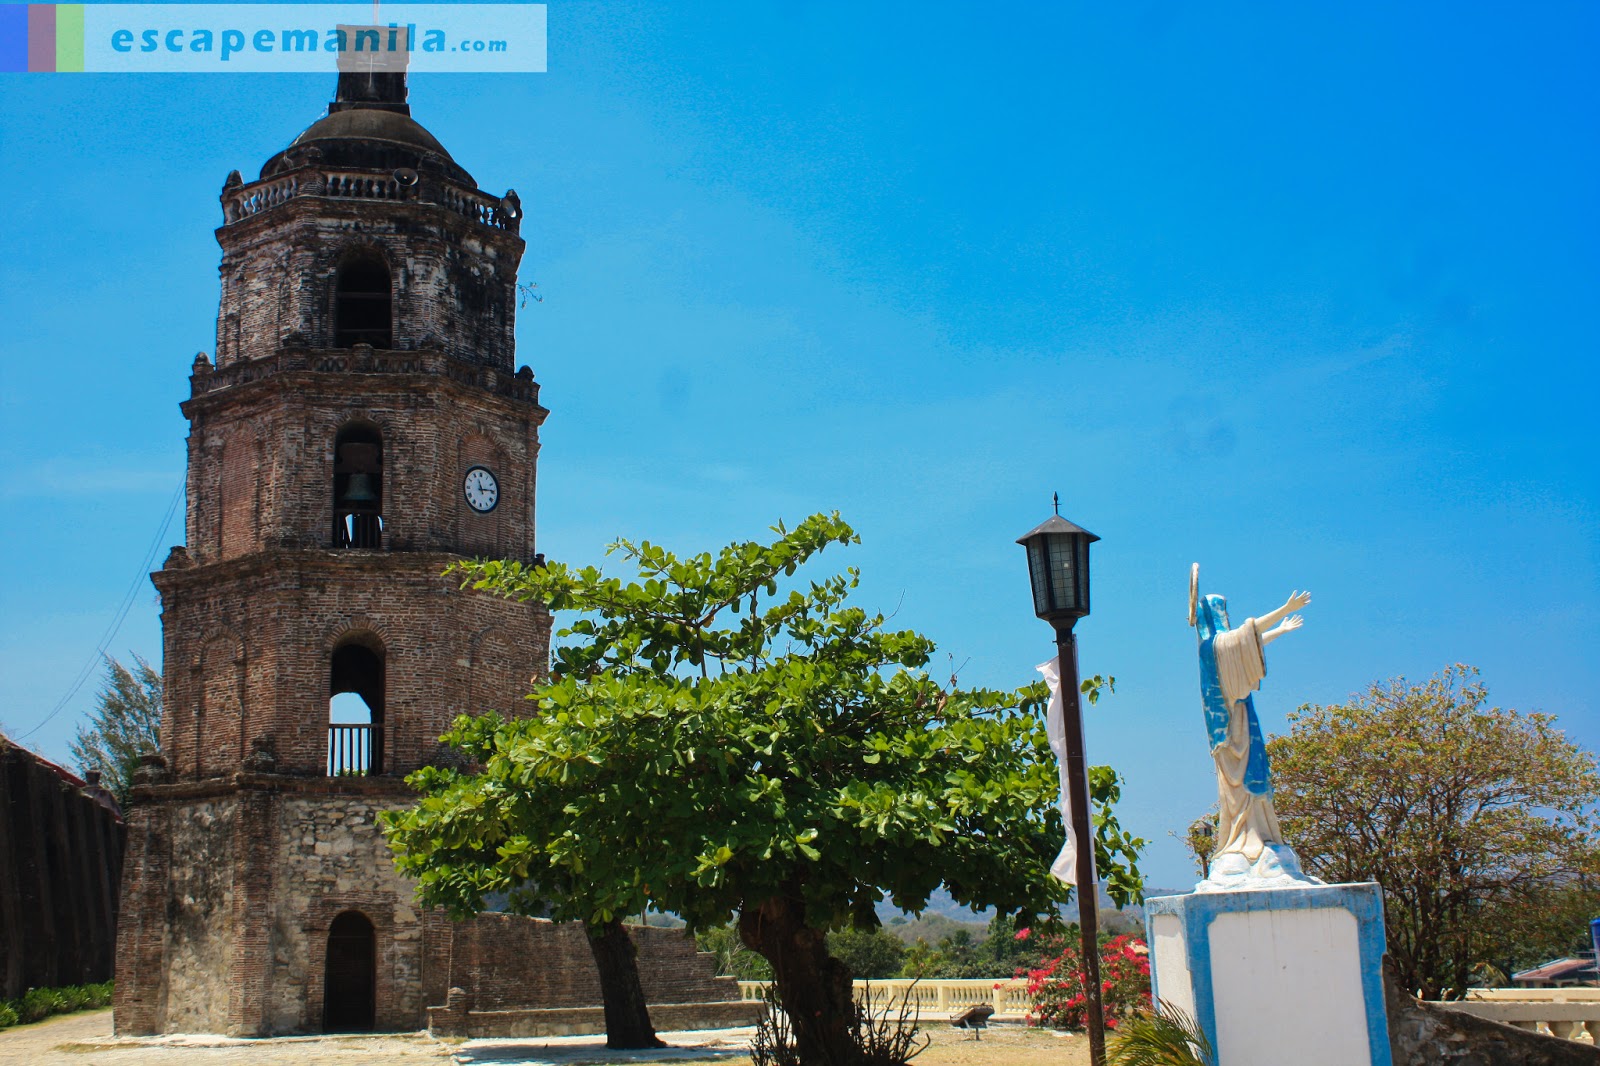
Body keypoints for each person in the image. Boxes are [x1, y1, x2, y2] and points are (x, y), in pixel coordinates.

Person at [1192, 577, 1314, 888]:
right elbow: (1248, 633)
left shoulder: (1216, 648)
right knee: (1239, 789)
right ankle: (1243, 842)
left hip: (1241, 723)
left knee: (1252, 786)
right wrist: (1285, 608)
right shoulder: (1212, 647)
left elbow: (1248, 644)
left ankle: (1259, 836)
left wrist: (1280, 630)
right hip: (1231, 732)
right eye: (1222, 612)